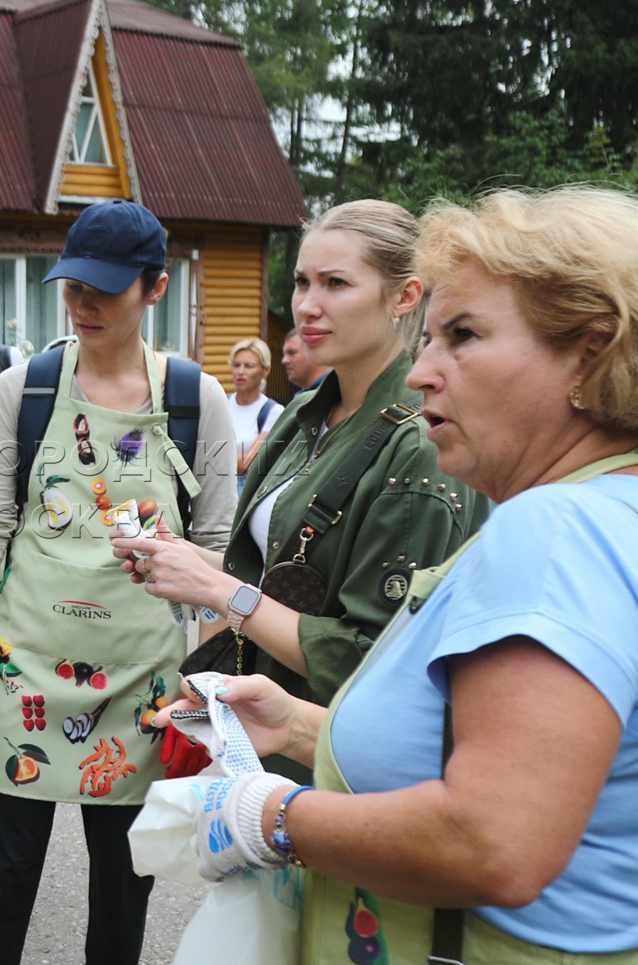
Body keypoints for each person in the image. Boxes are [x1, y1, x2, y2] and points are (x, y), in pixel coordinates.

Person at [159, 185, 638, 965]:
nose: (422, 371)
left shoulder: (557, 532)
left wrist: (266, 814)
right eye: (431, 339)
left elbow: (491, 841)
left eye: (463, 336)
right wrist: (301, 728)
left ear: (590, 353)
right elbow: (540, 757)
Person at [0, 200, 237, 965]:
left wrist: (204, 690)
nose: (84, 303)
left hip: (140, 684)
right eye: (72, 285)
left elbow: (213, 553)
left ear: (154, 287)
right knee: (1, 881)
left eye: (106, 290)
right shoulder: (22, 389)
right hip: (24, 668)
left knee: (120, 879)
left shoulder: (193, 397)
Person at [116, 201, 486, 735]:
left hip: (335, 754)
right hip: (259, 727)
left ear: (404, 296)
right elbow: (280, 578)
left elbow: (372, 656)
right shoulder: (303, 413)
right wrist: (187, 561)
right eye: (301, 282)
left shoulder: (422, 444)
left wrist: (218, 591)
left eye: (336, 284)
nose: (308, 306)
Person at [226, 337, 283, 478]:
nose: (241, 371)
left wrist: (216, 460)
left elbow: (251, 463)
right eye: (236, 365)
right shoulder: (222, 404)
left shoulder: (273, 411)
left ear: (266, 370)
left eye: (249, 366)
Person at [281, 325, 327, 398]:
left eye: (292, 353)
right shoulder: (302, 397)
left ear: (315, 352)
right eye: (284, 354)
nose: (284, 361)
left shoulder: (337, 394)